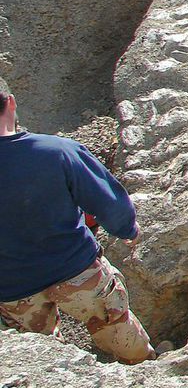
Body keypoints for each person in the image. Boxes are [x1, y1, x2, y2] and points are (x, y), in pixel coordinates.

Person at [0, 78, 155, 364]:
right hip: (77, 269)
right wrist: (127, 229)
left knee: (40, 360)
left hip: (13, 287)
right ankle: (143, 372)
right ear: (11, 102)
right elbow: (107, 199)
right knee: (121, 332)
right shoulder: (56, 151)